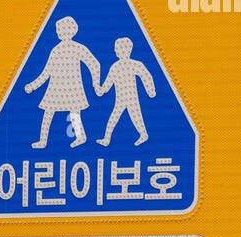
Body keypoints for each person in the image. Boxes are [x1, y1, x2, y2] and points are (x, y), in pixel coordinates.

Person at [23, 16, 101, 148]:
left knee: (74, 113)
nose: (59, 32)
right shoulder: (56, 50)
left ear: (72, 31)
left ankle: (80, 137)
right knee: (49, 113)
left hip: (73, 89)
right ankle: (43, 141)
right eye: (58, 29)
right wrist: (33, 86)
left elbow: (94, 64)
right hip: (55, 89)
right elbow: (46, 72)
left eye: (62, 29)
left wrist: (95, 84)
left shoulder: (77, 48)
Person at [96, 36, 156, 146]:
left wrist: (150, 90)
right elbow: (108, 83)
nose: (115, 51)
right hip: (121, 99)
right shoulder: (115, 67)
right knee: (116, 117)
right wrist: (101, 90)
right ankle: (107, 139)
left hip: (131, 98)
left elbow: (146, 76)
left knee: (135, 117)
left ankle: (143, 135)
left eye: (116, 49)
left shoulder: (133, 64)